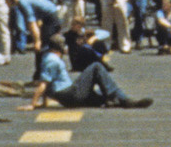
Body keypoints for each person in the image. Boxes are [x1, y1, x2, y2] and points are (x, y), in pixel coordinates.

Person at [21, 39, 150, 110]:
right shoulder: (52, 61)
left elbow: (47, 82)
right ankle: (124, 99)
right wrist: (32, 105)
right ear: (59, 48)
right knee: (96, 67)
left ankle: (122, 101)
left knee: (100, 96)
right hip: (69, 94)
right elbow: (43, 84)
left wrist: (44, 103)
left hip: (66, 97)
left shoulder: (47, 58)